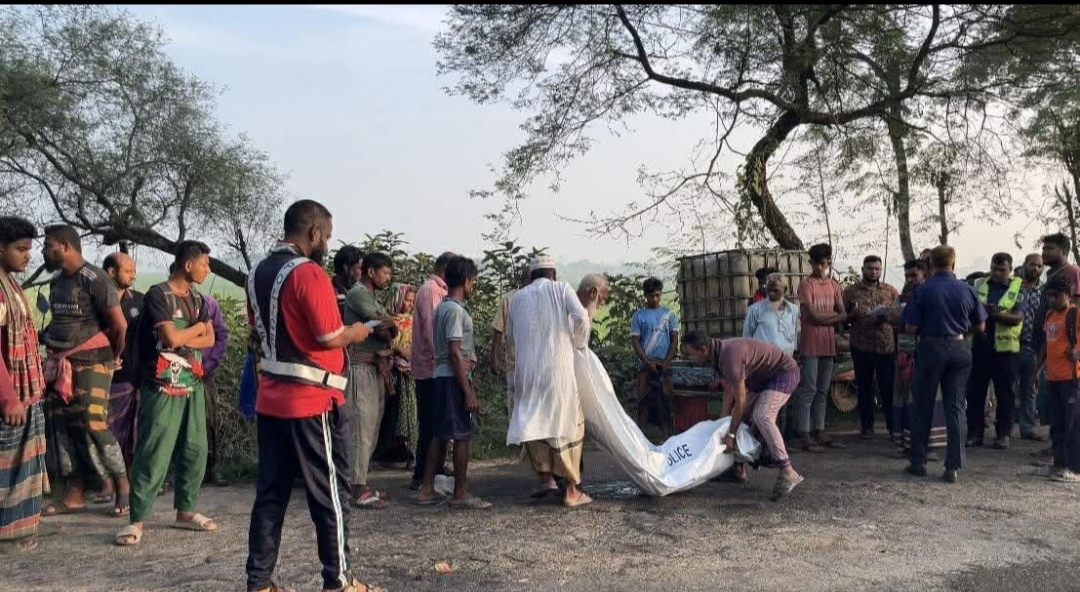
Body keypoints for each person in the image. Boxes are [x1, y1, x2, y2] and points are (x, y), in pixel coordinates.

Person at [244, 199, 377, 592]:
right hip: (312, 400)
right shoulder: (309, 275)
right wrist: (357, 332)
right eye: (327, 237)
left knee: (270, 494)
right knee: (329, 495)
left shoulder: (256, 274)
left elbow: (260, 332)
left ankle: (260, 582)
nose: (327, 245)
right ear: (313, 232)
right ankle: (339, 581)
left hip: (271, 399)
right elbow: (329, 336)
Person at [115, 241, 218, 546]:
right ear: (188, 265)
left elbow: (210, 337)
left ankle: (185, 512)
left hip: (193, 383)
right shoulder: (158, 295)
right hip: (162, 384)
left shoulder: (198, 299)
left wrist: (188, 336)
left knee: (195, 449)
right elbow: (169, 338)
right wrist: (192, 333)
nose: (208, 269)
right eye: (205, 264)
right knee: (154, 450)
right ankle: (136, 520)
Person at [40, 224, 129, 518]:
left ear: (66, 246)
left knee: (94, 423)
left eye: (48, 244)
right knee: (65, 429)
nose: (43, 249)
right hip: (61, 364)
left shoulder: (95, 278)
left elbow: (119, 326)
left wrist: (111, 358)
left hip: (94, 361)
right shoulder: (56, 283)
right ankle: (74, 494)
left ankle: (122, 484)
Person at [505, 255, 594, 507]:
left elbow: (512, 337)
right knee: (569, 428)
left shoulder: (517, 298)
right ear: (553, 274)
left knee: (535, 425)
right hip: (557, 371)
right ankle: (571, 491)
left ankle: (546, 480)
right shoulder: (561, 289)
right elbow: (582, 317)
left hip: (528, 374)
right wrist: (577, 342)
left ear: (531, 276)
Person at [681, 331, 804, 501]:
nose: (690, 358)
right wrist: (723, 426)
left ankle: (788, 471)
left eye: (691, 354)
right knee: (740, 419)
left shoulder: (729, 357)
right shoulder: (715, 356)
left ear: (702, 349)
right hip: (761, 380)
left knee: (762, 416)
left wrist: (731, 435)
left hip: (784, 374)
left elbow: (740, 400)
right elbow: (729, 394)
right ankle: (737, 469)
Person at [903, 245, 987, 484]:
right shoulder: (967, 289)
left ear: (930, 264)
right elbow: (981, 326)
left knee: (923, 405)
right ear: (954, 262)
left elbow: (910, 328)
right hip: (960, 348)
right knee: (956, 407)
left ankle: (918, 462)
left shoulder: (922, 290)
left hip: (931, 347)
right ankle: (953, 466)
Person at [415, 256, 490, 509]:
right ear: (467, 281)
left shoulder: (442, 309)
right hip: (451, 379)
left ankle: (426, 488)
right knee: (460, 435)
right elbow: (455, 352)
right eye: (473, 281)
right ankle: (460, 491)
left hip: (440, 377)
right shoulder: (455, 311)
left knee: (440, 435)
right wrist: (467, 391)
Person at [0, 217, 48, 553]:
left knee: (22, 463)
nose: (27, 256)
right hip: (10, 393)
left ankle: (17, 530)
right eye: (20, 249)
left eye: (29, 249)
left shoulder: (10, 284)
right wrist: (8, 397)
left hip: (25, 389)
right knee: (6, 466)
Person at [343, 253, 397, 509]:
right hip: (359, 367)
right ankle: (356, 488)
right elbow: (384, 326)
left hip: (374, 367)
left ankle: (361, 481)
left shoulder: (370, 296)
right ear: (371, 271)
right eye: (385, 272)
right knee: (361, 428)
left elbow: (389, 326)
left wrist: (386, 326)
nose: (388, 277)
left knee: (372, 427)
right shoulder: (357, 294)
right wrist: (385, 325)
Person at [967, 253, 1026, 450]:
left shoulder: (1018, 288)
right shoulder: (979, 285)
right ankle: (975, 434)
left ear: (1010, 270)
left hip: (1006, 351)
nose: (997, 273)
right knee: (975, 393)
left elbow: (1017, 318)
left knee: (1005, 395)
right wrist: (992, 312)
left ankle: (1003, 435)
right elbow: (969, 312)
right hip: (980, 347)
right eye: (994, 269)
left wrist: (990, 312)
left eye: (1002, 270)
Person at [889, 260, 945, 459]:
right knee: (904, 399)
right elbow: (896, 317)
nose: (911, 280)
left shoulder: (932, 295)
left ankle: (930, 446)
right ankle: (905, 444)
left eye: (914, 275)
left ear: (925, 274)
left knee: (927, 398)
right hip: (905, 352)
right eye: (907, 276)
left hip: (926, 353)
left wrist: (905, 318)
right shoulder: (903, 297)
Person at [794, 243, 847, 452]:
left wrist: (826, 318)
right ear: (812, 263)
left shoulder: (834, 285)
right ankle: (804, 433)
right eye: (817, 264)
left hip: (828, 343)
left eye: (824, 264)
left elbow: (843, 313)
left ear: (828, 263)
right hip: (810, 344)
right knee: (809, 389)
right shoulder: (806, 284)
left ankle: (819, 430)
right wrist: (834, 318)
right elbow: (811, 316)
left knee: (823, 390)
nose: (820, 268)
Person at [410, 252, 456, 491]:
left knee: (438, 421)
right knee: (429, 423)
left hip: (435, 366)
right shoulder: (431, 291)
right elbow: (431, 331)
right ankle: (421, 474)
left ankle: (436, 467)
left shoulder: (439, 291)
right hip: (430, 368)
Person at [843, 255, 900, 440]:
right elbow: (843, 319)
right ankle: (867, 426)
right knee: (864, 387)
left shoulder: (891, 291)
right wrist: (853, 314)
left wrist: (887, 317)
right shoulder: (851, 291)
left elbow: (899, 317)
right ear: (863, 269)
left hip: (886, 346)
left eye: (877, 269)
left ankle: (893, 427)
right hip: (861, 345)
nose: (874, 272)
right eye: (870, 268)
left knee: (888, 387)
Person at [743, 272, 800, 442]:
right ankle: (758, 442)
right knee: (762, 407)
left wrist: (796, 355)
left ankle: (779, 442)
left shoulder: (793, 310)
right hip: (762, 366)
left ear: (785, 289)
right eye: (769, 290)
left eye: (775, 290)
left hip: (786, 366)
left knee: (781, 405)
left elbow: (794, 336)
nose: (771, 293)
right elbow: (747, 338)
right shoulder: (755, 310)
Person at [102, 252, 143, 475]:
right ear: (111, 272)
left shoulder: (139, 300)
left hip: (133, 376)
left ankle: (134, 476)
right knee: (108, 432)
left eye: (134, 271)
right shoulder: (94, 303)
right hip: (105, 378)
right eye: (128, 271)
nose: (133, 276)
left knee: (135, 432)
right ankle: (110, 480)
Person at [1036, 274, 1080, 483]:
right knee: (1056, 423)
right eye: (1049, 295)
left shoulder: (1075, 314)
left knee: (1072, 424)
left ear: (1068, 295)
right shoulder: (1050, 315)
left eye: (1056, 295)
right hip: (1052, 377)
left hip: (1072, 379)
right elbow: (1046, 344)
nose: (1052, 299)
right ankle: (1058, 463)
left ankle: (1074, 468)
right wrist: (1036, 371)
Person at [631, 277, 680, 438]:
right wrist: (646, 361)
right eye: (651, 296)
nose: (655, 299)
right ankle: (642, 436)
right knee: (643, 402)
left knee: (666, 402)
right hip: (646, 366)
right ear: (645, 295)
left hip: (664, 365)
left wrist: (666, 363)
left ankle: (667, 437)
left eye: (657, 295)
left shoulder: (669, 314)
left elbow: (674, 340)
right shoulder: (638, 316)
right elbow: (635, 341)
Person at [491, 267, 531, 416]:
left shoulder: (542, 301)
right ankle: (515, 438)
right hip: (514, 365)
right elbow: (497, 330)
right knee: (514, 405)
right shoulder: (509, 299)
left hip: (535, 365)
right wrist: (494, 358)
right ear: (523, 281)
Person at [201, 292, 230, 486]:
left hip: (204, 373)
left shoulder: (208, 303)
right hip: (176, 372)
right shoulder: (164, 299)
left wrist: (210, 364)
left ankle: (212, 468)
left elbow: (221, 334)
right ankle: (181, 470)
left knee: (209, 419)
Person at [1017, 253, 1047, 442]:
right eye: (1032, 264)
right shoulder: (1013, 287)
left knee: (1031, 388)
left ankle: (1027, 428)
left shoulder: (1044, 291)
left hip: (1032, 346)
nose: (1035, 268)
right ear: (1024, 265)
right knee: (1006, 388)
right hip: (1009, 344)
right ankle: (1002, 430)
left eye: (1039, 266)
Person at [388, 284, 418, 471]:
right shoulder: (389, 322)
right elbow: (389, 344)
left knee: (411, 415)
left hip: (411, 373)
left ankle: (413, 454)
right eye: (407, 300)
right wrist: (399, 349)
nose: (410, 304)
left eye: (412, 301)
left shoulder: (414, 321)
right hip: (394, 373)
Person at [332, 246, 365, 315]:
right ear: (346, 267)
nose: (363, 273)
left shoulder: (358, 290)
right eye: (360, 268)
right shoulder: (330, 293)